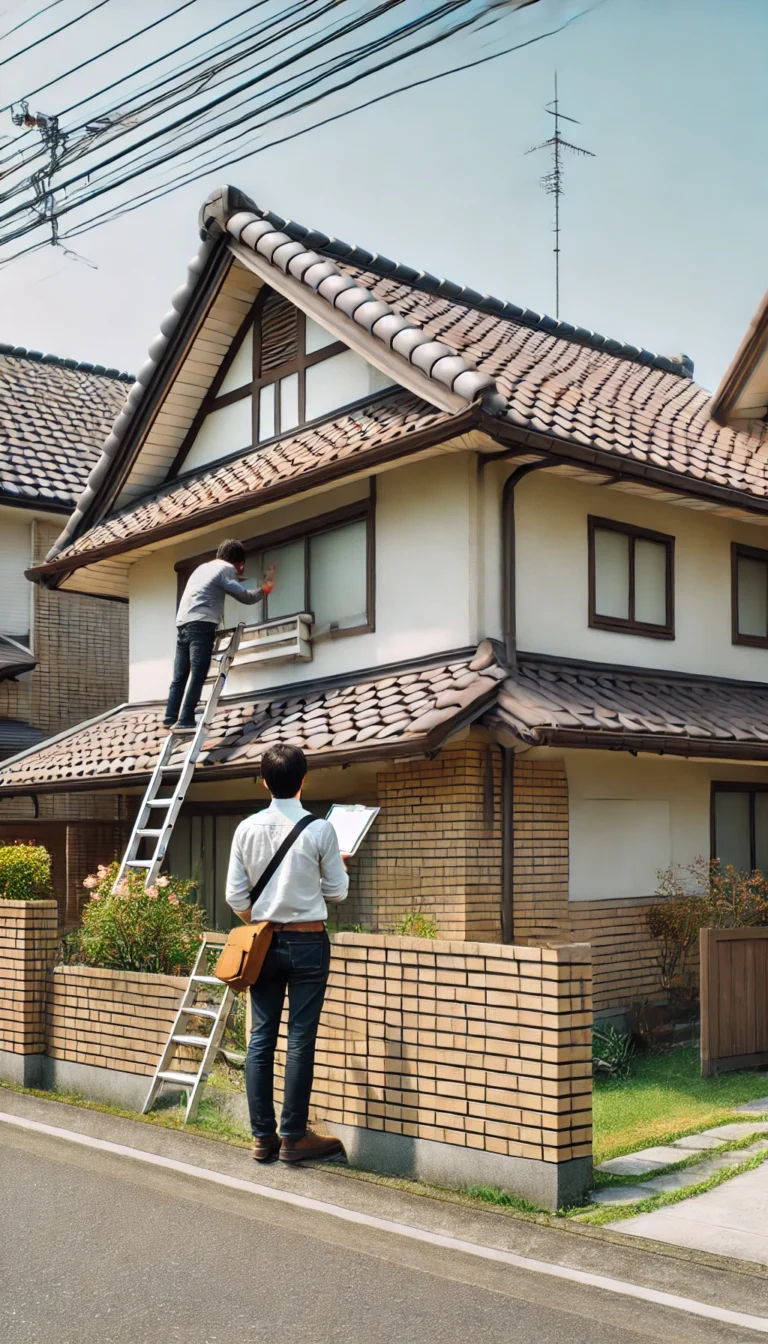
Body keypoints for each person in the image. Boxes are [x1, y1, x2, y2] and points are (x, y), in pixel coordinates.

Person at [226, 743, 349, 1165]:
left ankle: (263, 1137)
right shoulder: (320, 831)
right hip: (309, 942)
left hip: (263, 943)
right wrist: (335, 866)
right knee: (300, 1039)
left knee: (261, 1039)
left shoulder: (246, 828)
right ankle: (295, 1137)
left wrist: (260, 919)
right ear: (304, 779)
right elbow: (336, 892)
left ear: (264, 781)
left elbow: (234, 895)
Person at [164, 539, 275, 731]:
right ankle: (185, 719)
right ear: (239, 563)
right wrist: (265, 588)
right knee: (199, 672)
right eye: (241, 567)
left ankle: (170, 716)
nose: (240, 571)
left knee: (180, 675)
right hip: (201, 623)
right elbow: (245, 597)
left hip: (182, 622)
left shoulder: (203, 568)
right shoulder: (226, 569)